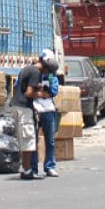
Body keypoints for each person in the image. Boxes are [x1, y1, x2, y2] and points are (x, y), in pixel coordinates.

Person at [11, 49, 59, 180]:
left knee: (46, 140)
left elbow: (53, 90)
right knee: (30, 141)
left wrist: (43, 91)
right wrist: (40, 93)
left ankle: (46, 167)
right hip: (29, 109)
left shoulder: (32, 71)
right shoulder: (35, 73)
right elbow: (27, 92)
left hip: (45, 110)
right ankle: (29, 169)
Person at [30, 50, 61, 178]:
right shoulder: (32, 73)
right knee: (33, 141)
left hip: (48, 111)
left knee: (50, 141)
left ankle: (50, 166)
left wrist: (41, 92)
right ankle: (33, 168)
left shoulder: (51, 76)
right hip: (35, 110)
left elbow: (53, 91)